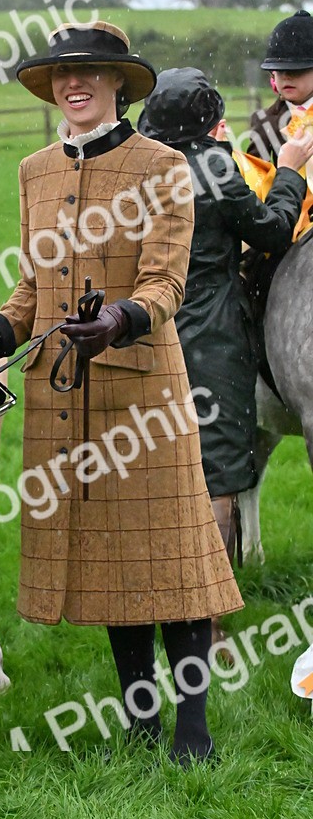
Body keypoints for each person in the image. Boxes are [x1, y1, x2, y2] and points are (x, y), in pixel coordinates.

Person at [0, 20, 243, 764]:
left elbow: (166, 283)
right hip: (63, 402)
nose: (72, 83)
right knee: (112, 564)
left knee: (173, 560)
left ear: (118, 83)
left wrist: (117, 320)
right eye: (61, 72)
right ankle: (141, 721)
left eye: (87, 71)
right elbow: (32, 290)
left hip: (145, 398)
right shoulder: (34, 171)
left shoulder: (163, 166)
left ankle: (193, 729)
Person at [139, 68, 313, 557]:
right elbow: (273, 230)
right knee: (220, 465)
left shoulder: (137, 169)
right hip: (212, 332)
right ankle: (212, 594)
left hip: (146, 327)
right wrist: (289, 171)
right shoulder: (215, 166)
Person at [245, 9, 313, 166]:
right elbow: (257, 173)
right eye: (280, 70)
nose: (287, 77)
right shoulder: (265, 121)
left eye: (297, 70)